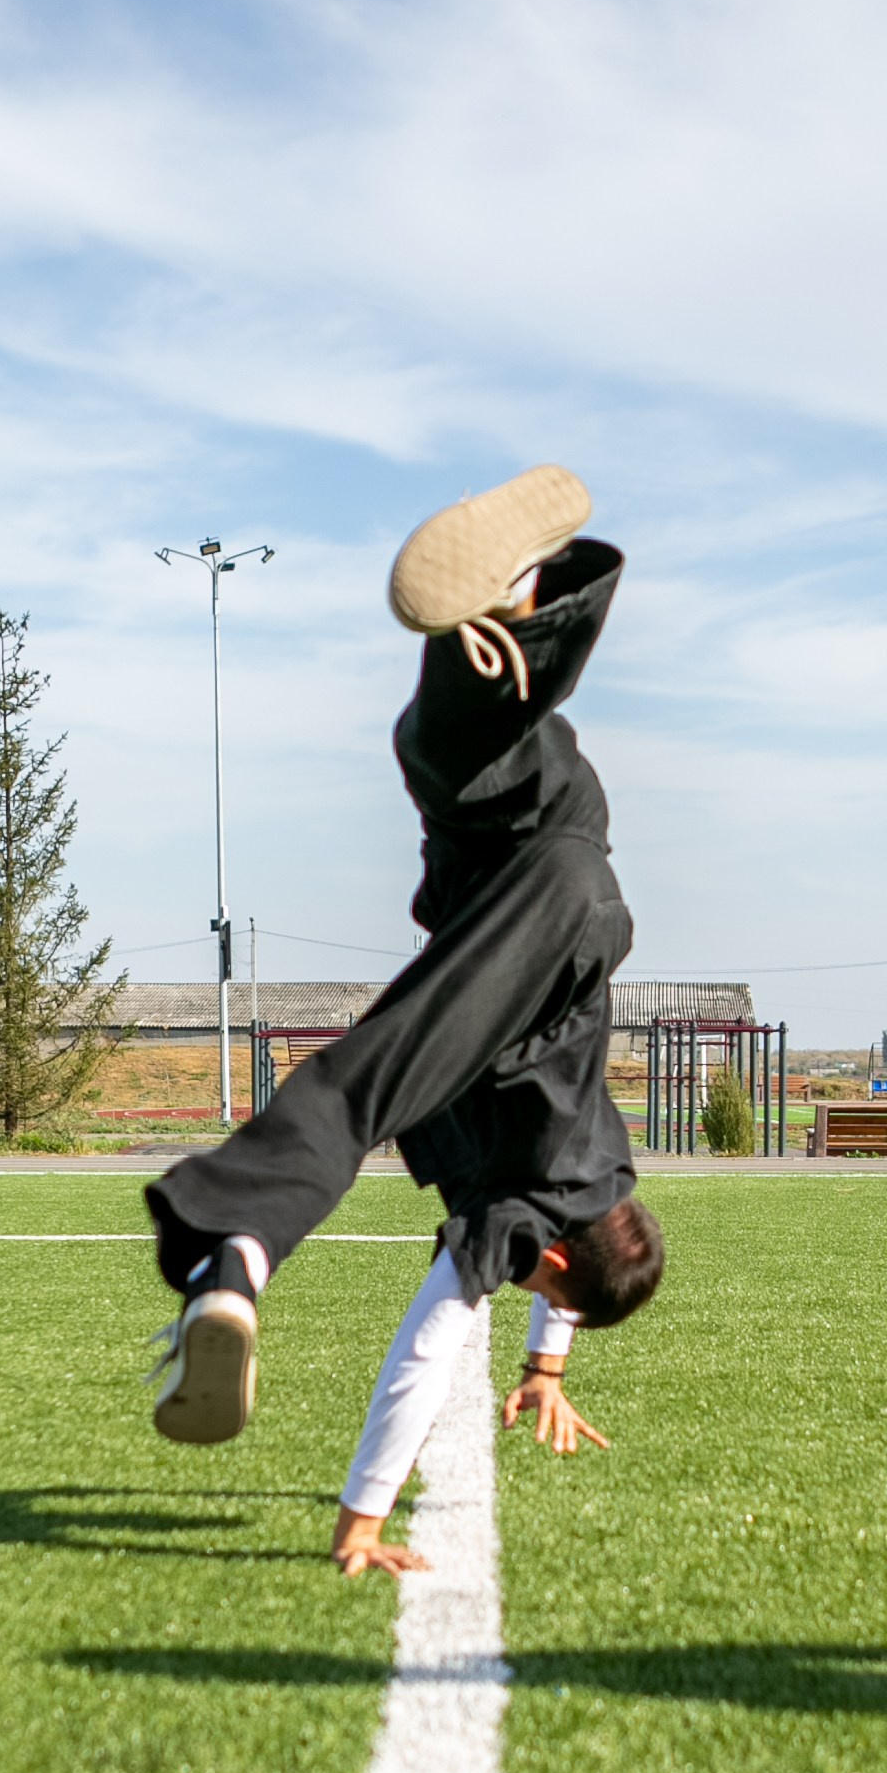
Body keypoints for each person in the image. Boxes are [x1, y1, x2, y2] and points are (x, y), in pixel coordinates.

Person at [142, 464, 665, 1573]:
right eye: (538, 1284)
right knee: (361, 1085)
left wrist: (545, 1369)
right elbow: (430, 1346)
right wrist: (361, 1519)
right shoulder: (524, 1219)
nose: (520, 1277)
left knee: (456, 752)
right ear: (551, 1258)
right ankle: (233, 1254)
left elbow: (594, 1262)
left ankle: (516, 600)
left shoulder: (603, 1174)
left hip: (553, 847)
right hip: (546, 919)